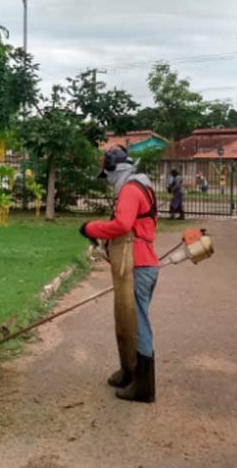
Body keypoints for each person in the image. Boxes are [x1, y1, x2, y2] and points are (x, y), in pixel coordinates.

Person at [80, 147, 158, 403]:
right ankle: (129, 372)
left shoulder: (129, 190)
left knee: (137, 323)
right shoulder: (139, 187)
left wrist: (91, 227)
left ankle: (144, 386)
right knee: (125, 320)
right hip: (137, 263)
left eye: (107, 176)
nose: (108, 182)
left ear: (114, 170)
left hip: (137, 263)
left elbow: (123, 225)